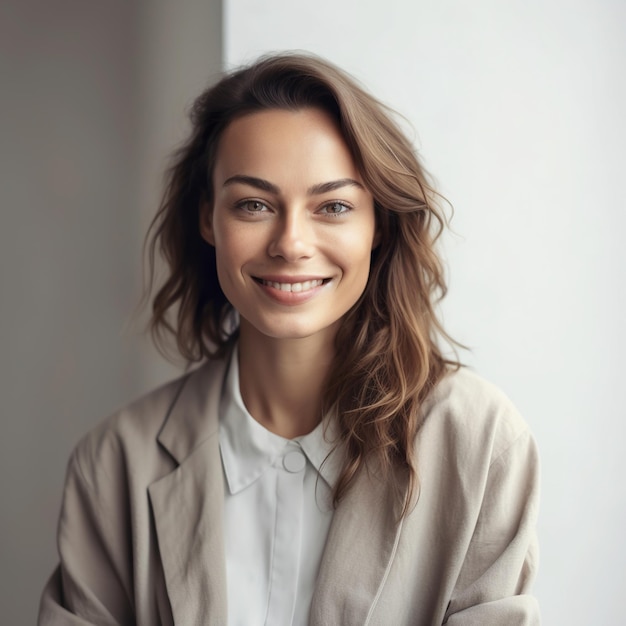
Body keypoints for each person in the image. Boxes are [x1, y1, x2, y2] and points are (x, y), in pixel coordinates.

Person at [39, 53, 540, 625]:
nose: (291, 243)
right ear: (209, 218)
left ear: (379, 223)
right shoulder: (113, 466)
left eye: (333, 206)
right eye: (254, 204)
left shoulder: (479, 442)